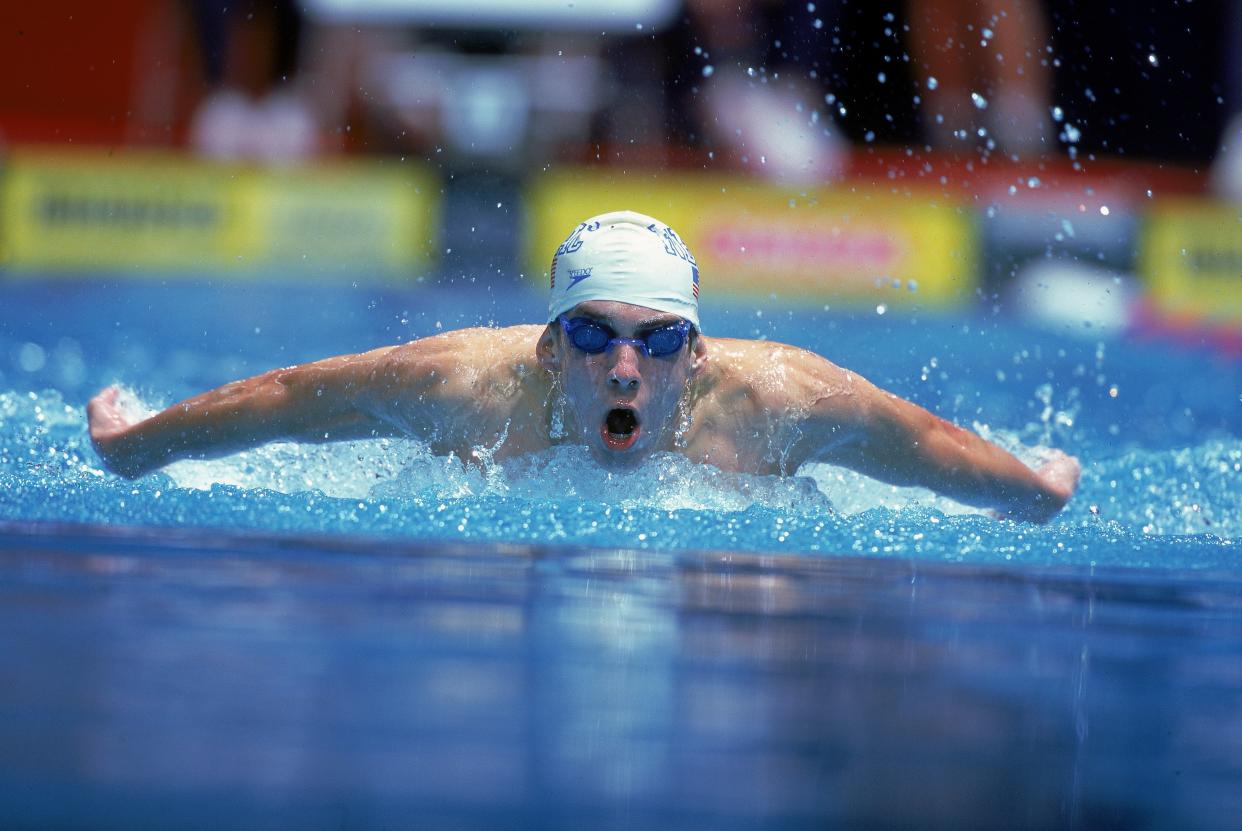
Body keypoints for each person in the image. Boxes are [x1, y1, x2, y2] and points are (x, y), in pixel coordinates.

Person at [88, 210, 1080, 523]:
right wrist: (140, 449)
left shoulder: (780, 402)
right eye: (598, 336)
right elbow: (295, 399)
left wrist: (1031, 493)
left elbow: (920, 442)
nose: (623, 367)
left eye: (654, 341)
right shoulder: (465, 388)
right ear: (550, 346)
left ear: (693, 356)